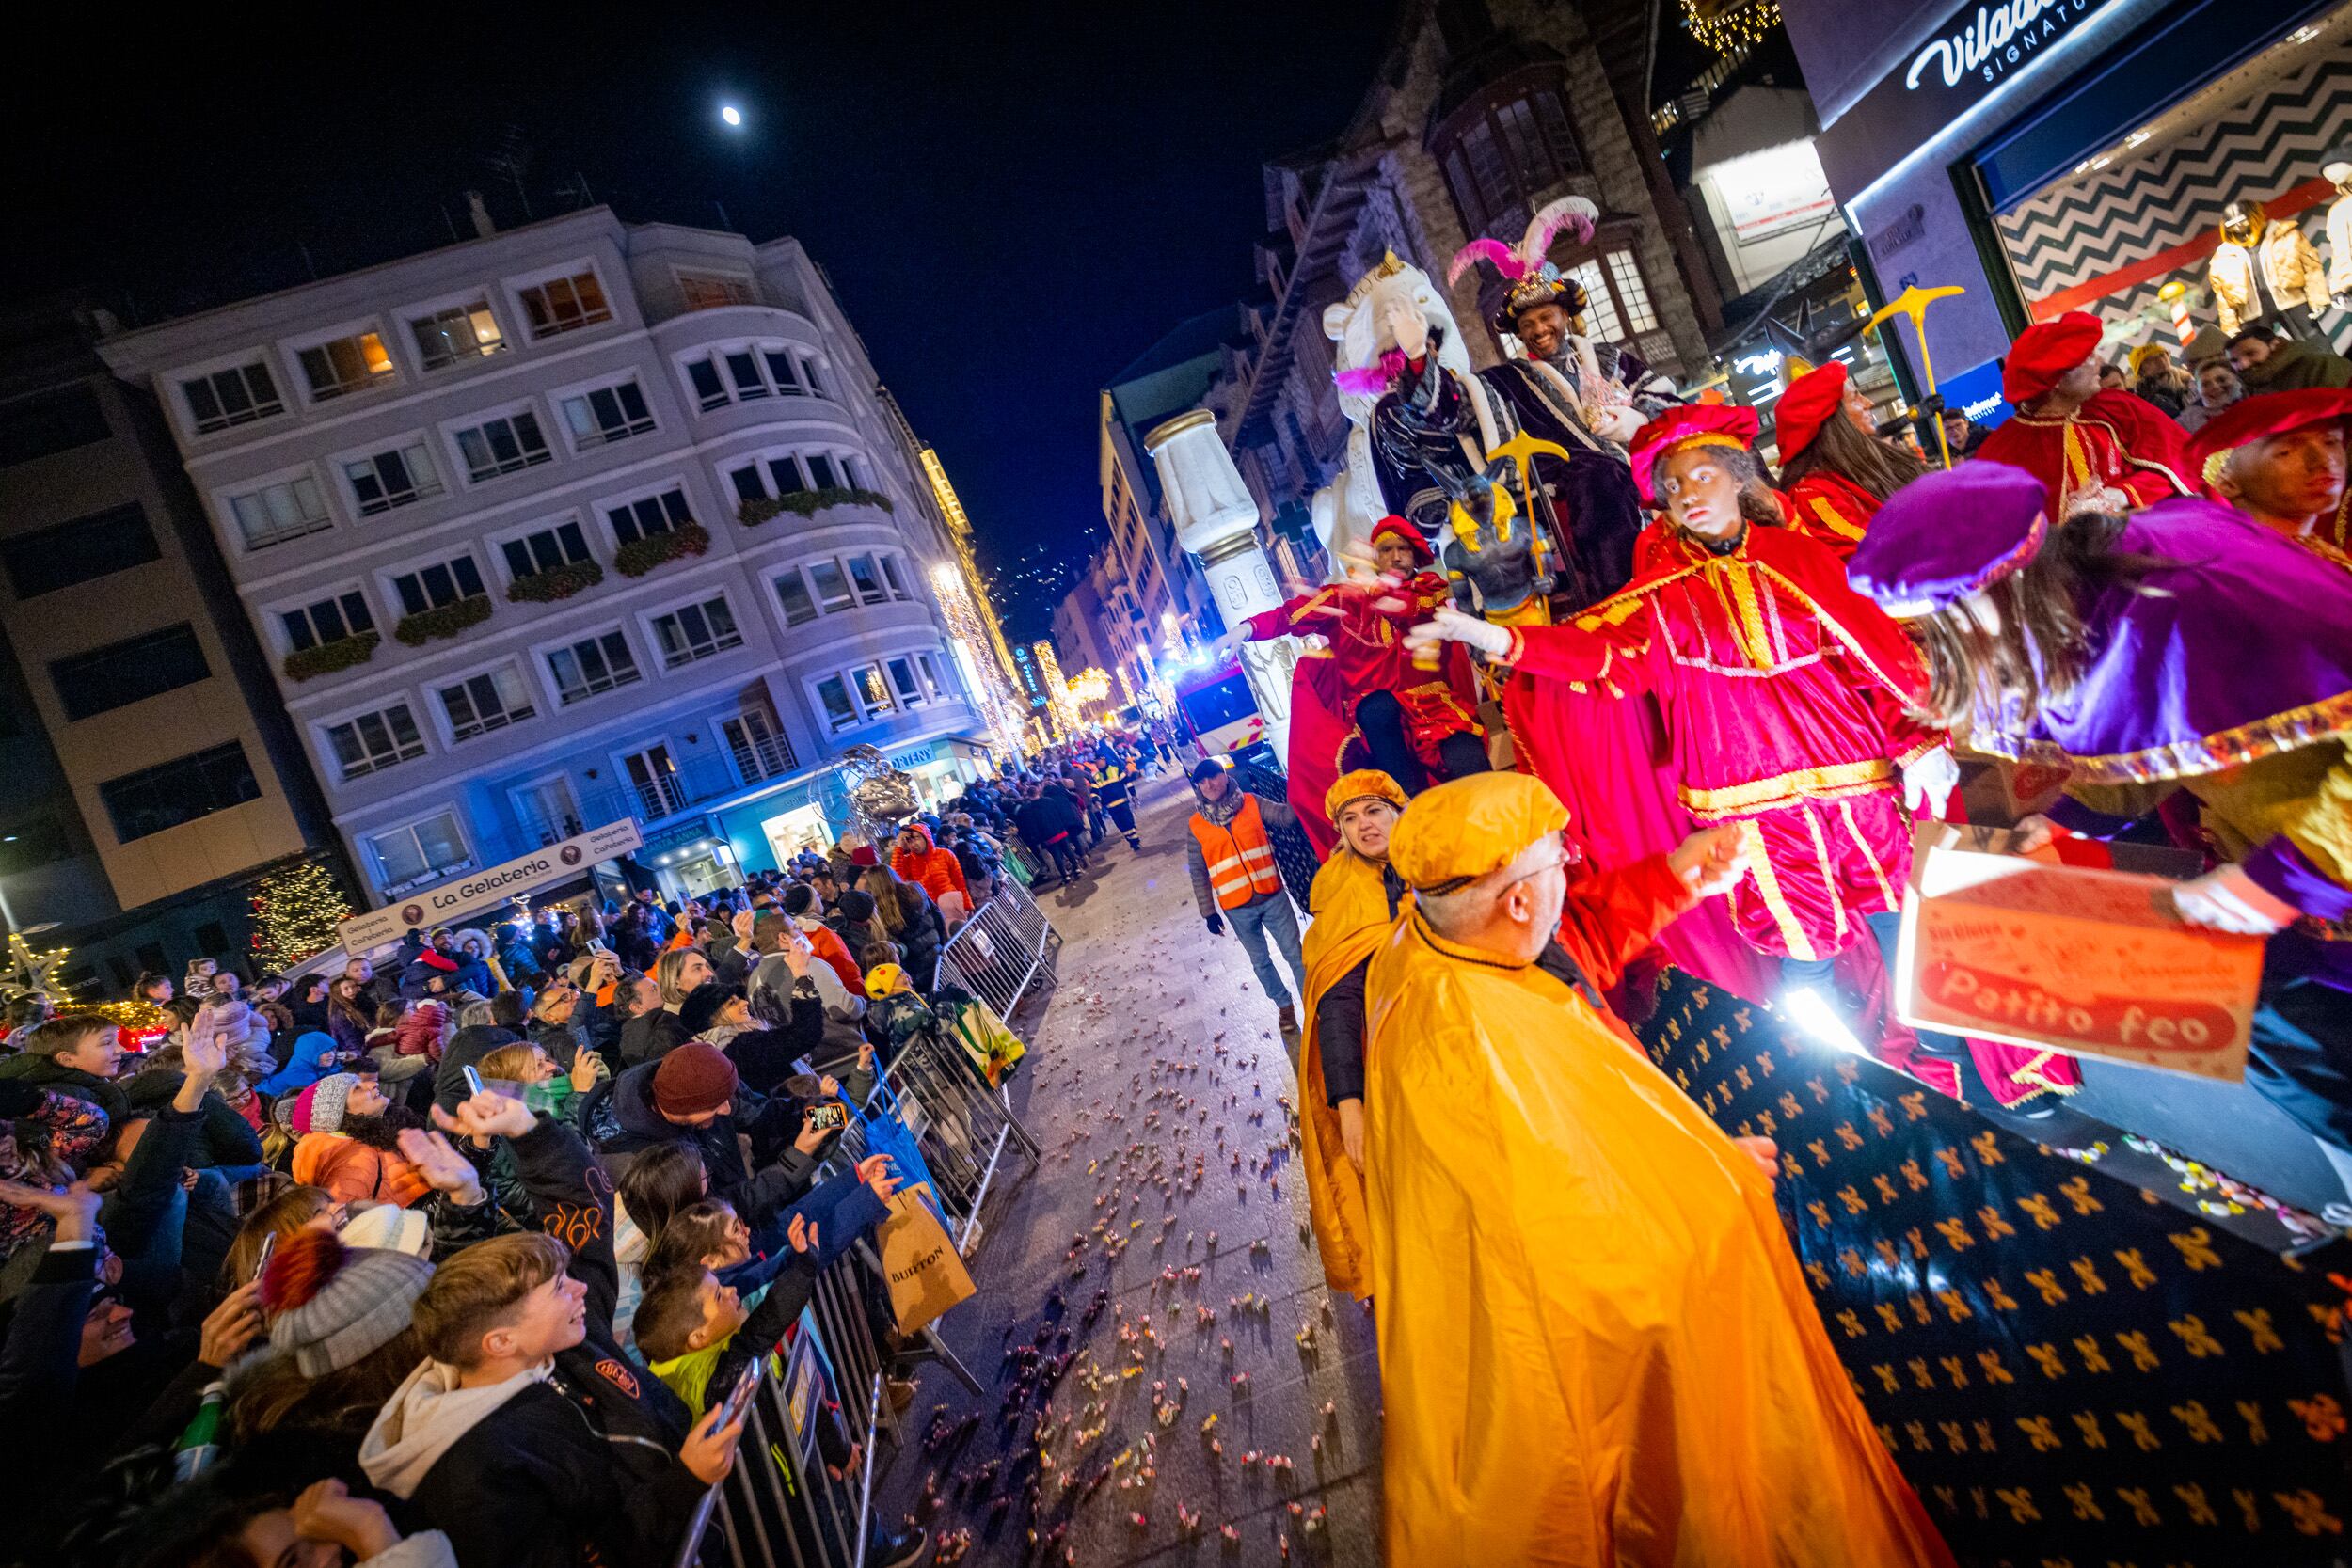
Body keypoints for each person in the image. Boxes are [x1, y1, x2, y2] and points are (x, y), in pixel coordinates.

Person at [1360, 772, 1955, 1567]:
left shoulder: (1437, 937)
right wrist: (1712, 1178)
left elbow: (1568, 949)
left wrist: (1679, 874)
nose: (1570, 875)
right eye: (1558, 866)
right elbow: (1600, 1271)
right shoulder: (1474, 1048)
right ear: (1515, 901)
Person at [1410, 404, 1963, 1046]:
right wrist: (1498, 638)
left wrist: (1920, 739)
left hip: (1854, 783)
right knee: (1802, 955)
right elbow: (1605, 654)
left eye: (1702, 477)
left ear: (1737, 477)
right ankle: (1839, 1078)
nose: (1688, 495)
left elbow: (1873, 649)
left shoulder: (1797, 556)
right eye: (1673, 487)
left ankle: (1944, 1058)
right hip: (1751, 809)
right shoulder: (1666, 593)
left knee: (1900, 924)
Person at [1853, 464, 2352, 1172]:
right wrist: (2059, 821)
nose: (1961, 654)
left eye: (1953, 629)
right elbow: (2141, 727)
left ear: (2007, 583)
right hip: (2284, 885)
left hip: (2319, 867)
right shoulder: (2077, 591)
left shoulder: (2188, 593)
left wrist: (2281, 883)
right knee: (2280, 1040)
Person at [1453, 198, 1674, 605]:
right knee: (1599, 479)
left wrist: (1636, 420)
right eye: (1527, 324)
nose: (1538, 329)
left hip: (1649, 469)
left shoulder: (1610, 357)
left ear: (1565, 315)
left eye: (1545, 317)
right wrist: (1420, 364)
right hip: (1584, 491)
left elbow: (1666, 398)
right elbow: (1456, 411)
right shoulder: (1508, 381)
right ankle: (1626, 598)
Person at [1237, 516, 1487, 795]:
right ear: (1374, 557)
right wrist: (1248, 628)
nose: (1395, 556)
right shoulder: (1345, 598)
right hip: (1374, 714)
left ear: (1414, 554)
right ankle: (1407, 805)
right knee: (1379, 708)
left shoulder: (1427, 587)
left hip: (1432, 705)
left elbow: (1416, 607)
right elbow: (1291, 614)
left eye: (1402, 549)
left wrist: (1385, 594)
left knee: (1469, 758)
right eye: (1386, 550)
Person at [1294, 770, 1408, 1302]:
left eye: (1373, 811)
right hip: (1398, 1061)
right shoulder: (1338, 888)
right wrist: (1349, 1102)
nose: (1365, 826)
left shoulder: (1441, 861)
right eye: (1350, 818)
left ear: (1397, 811)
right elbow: (1336, 1003)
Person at [1973, 309, 2196, 517]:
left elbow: (2179, 465)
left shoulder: (2117, 408)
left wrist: (2120, 495)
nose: (2100, 362)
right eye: (2088, 358)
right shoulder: (2003, 453)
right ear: (2056, 380)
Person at [1185, 757, 1307, 1034]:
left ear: (1224, 776)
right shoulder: (1195, 826)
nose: (1209, 785)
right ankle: (1284, 1007)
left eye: (1213, 777)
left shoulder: (1251, 802)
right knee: (1261, 962)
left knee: (1295, 955)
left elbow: (1285, 817)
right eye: (1202, 782)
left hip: (1272, 896)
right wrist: (1208, 912)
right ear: (1198, 788)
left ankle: (1313, 1005)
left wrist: (1301, 786)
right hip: (1237, 907)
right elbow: (1197, 871)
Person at [2181, 386, 2352, 561]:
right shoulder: (2239, 569)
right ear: (2226, 482)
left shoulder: (2321, 555)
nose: (2323, 461)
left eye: (2331, 442)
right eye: (2286, 451)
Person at [2230, 324, 2352, 391]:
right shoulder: (2250, 390)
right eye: (2235, 361)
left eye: (2251, 353)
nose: (2243, 364)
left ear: (2275, 344)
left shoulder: (2318, 365)